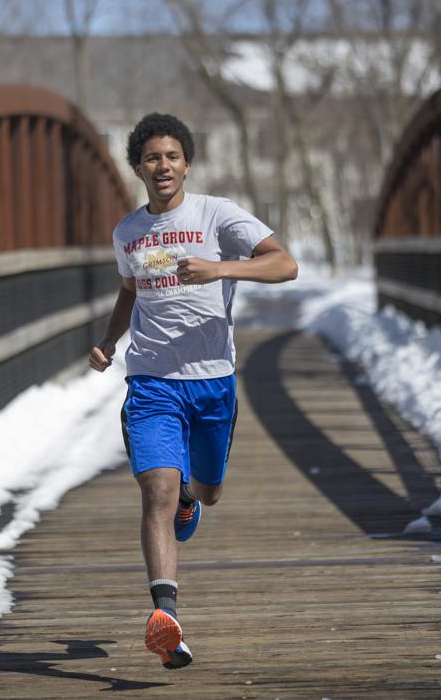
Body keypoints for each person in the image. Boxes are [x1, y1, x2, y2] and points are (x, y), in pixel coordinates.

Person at [88, 112, 298, 669]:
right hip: (152, 382)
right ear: (137, 168)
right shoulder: (128, 232)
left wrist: (221, 269)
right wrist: (109, 341)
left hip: (212, 382)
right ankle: (166, 617)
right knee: (156, 490)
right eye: (151, 158)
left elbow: (285, 264)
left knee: (206, 491)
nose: (162, 166)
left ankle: (190, 500)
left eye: (172, 156)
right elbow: (130, 290)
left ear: (187, 164)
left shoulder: (217, 215)